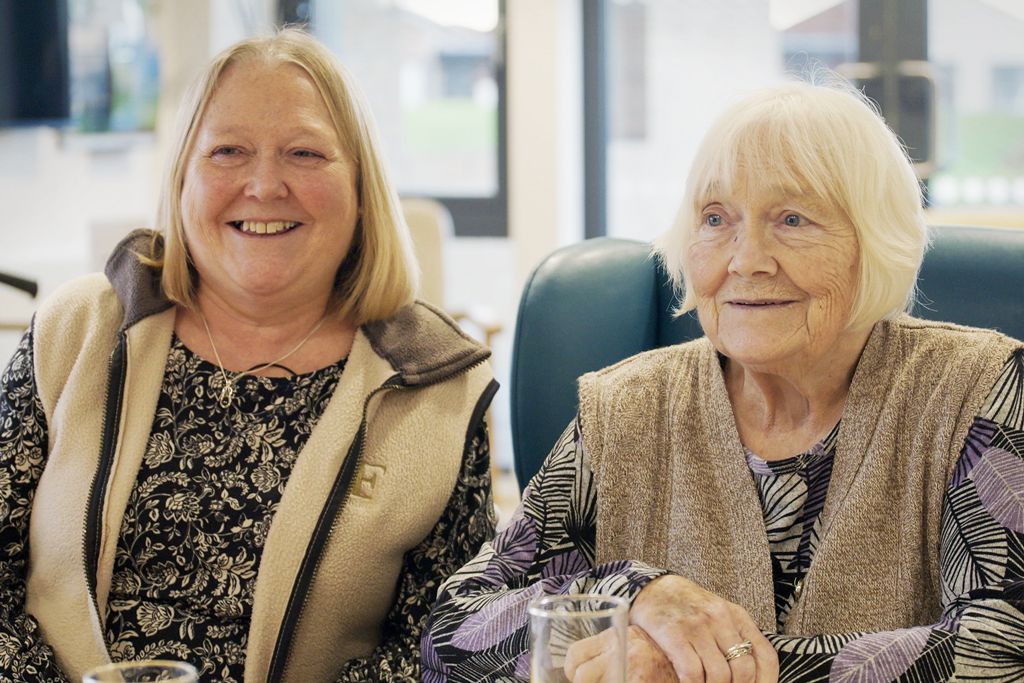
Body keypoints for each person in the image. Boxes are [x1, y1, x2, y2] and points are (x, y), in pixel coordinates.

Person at [422, 79, 1024, 682]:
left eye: (792, 219)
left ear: (875, 242)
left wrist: (685, 669)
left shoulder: (978, 390)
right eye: (716, 219)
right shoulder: (627, 408)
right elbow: (452, 635)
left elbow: (1003, 648)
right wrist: (631, 592)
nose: (745, 259)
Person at [0, 29, 497, 683]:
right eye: (228, 151)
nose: (264, 185)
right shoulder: (73, 332)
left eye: (305, 153)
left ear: (360, 187)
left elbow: (450, 648)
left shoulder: (439, 387)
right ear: (182, 179)